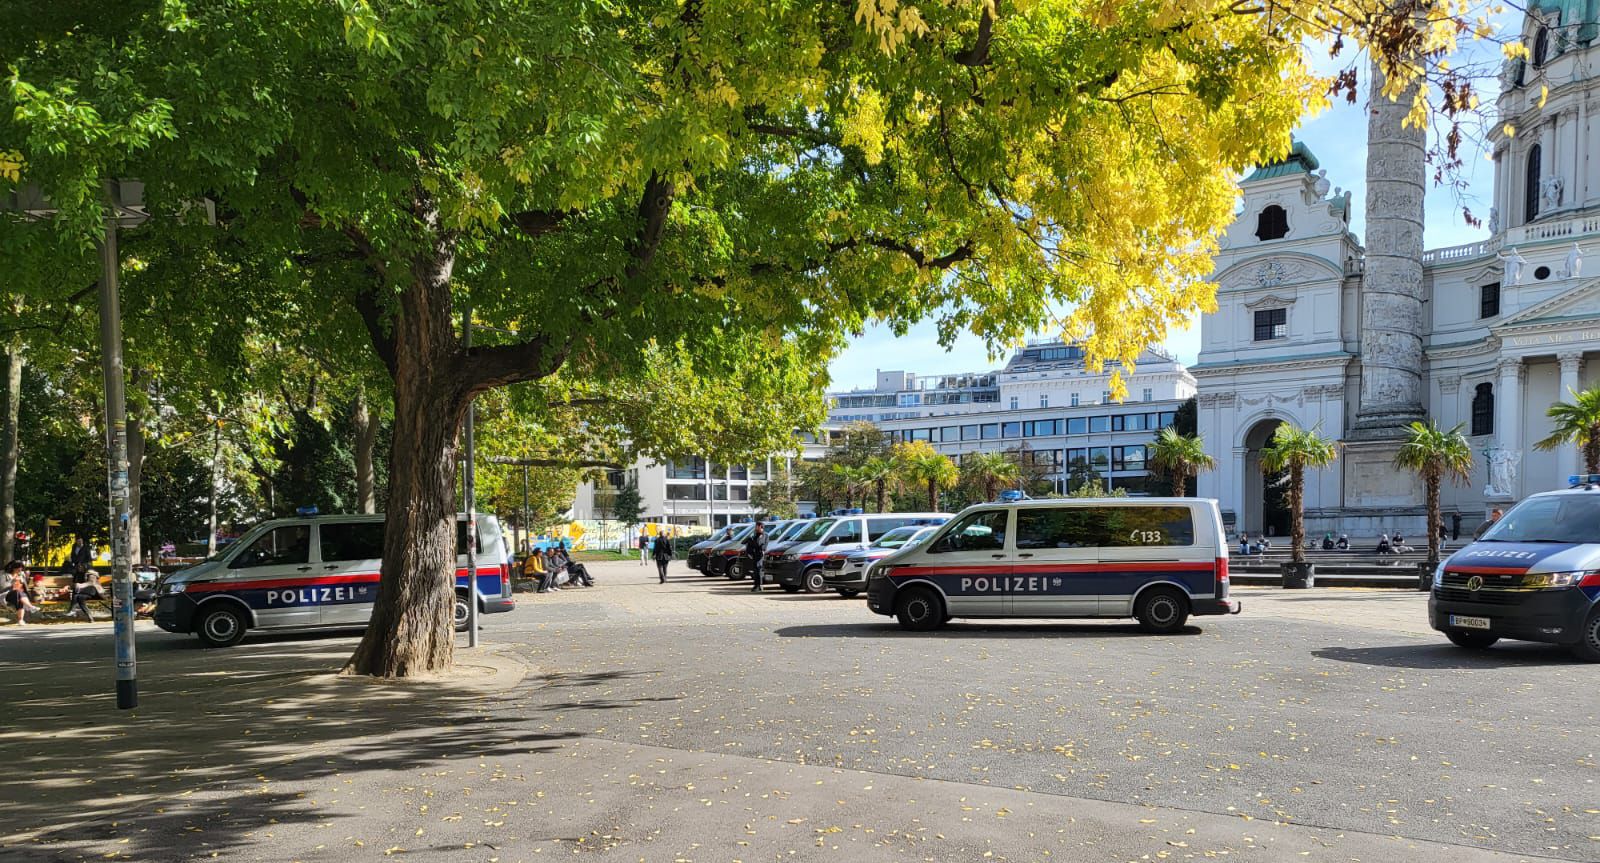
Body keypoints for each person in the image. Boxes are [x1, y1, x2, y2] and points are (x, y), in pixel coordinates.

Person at [5, 560, 40, 625]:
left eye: (21, 567)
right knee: (18, 593)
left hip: (20, 594)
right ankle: (30, 607)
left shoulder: (22, 574)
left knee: (20, 597)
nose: (20, 569)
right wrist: (12, 581)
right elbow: (3, 587)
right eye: (19, 567)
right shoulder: (7, 575)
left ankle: (21, 620)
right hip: (8, 594)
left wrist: (27, 577)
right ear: (14, 568)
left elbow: (26, 585)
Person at [744, 522, 770, 593]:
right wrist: (749, 551)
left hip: (760, 555)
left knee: (758, 570)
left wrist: (762, 549)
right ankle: (757, 585)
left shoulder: (765, 535)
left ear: (761, 527)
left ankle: (758, 585)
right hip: (754, 555)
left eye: (757, 526)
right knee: (755, 571)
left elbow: (764, 545)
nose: (755, 528)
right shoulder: (754, 535)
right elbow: (750, 544)